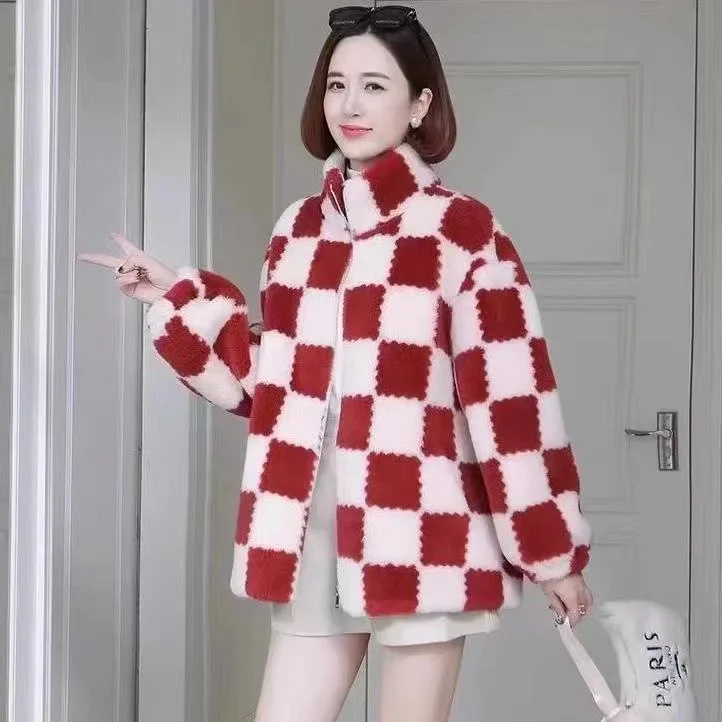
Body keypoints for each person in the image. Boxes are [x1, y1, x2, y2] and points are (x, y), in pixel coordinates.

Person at [79, 5, 593, 721]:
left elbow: (511, 401)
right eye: (337, 84)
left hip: (423, 530)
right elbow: (272, 389)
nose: (350, 105)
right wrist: (179, 298)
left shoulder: (461, 229)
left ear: (420, 104)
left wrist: (551, 554)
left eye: (375, 86)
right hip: (310, 531)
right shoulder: (297, 230)